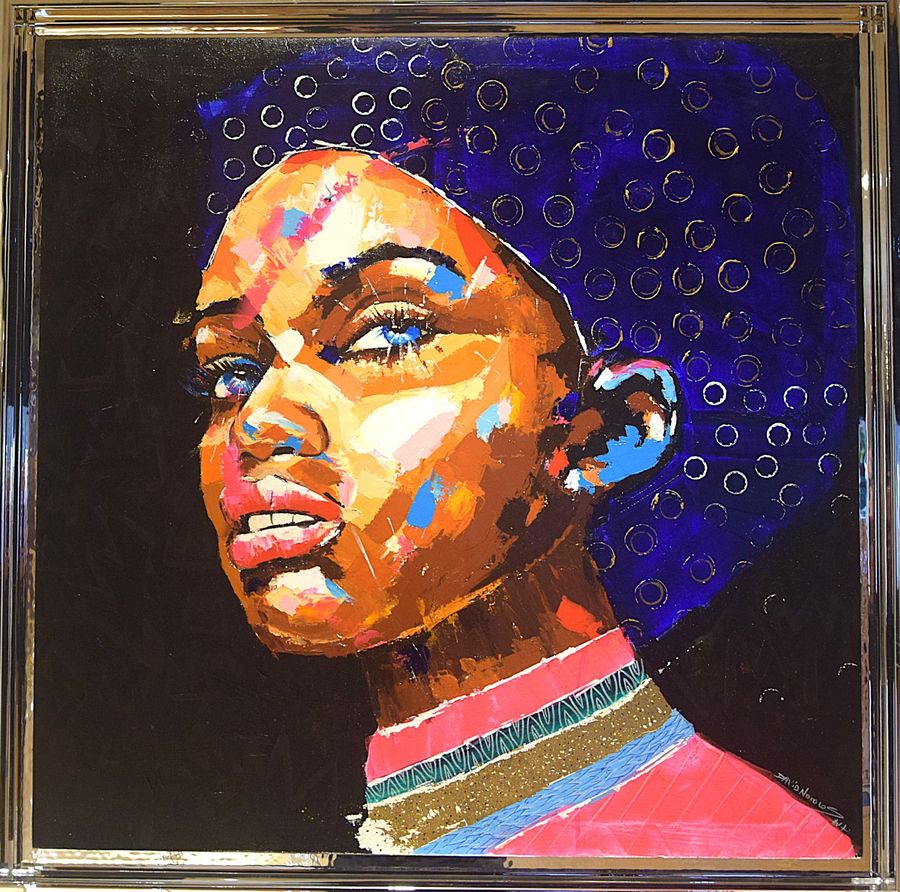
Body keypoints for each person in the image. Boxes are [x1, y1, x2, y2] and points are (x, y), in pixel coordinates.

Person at [186, 144, 856, 859]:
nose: (257, 422)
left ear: (606, 430)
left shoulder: (745, 858)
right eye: (230, 371)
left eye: (388, 331)